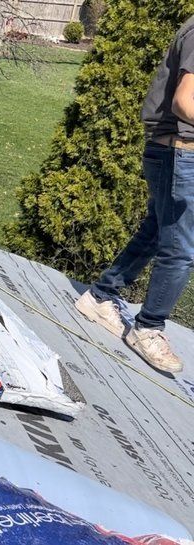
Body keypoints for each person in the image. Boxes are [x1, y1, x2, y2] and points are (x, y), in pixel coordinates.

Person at [75, 16, 194, 374]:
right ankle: (148, 328)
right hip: (180, 152)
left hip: (176, 152)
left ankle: (99, 297)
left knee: (156, 233)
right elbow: (184, 102)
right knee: (182, 250)